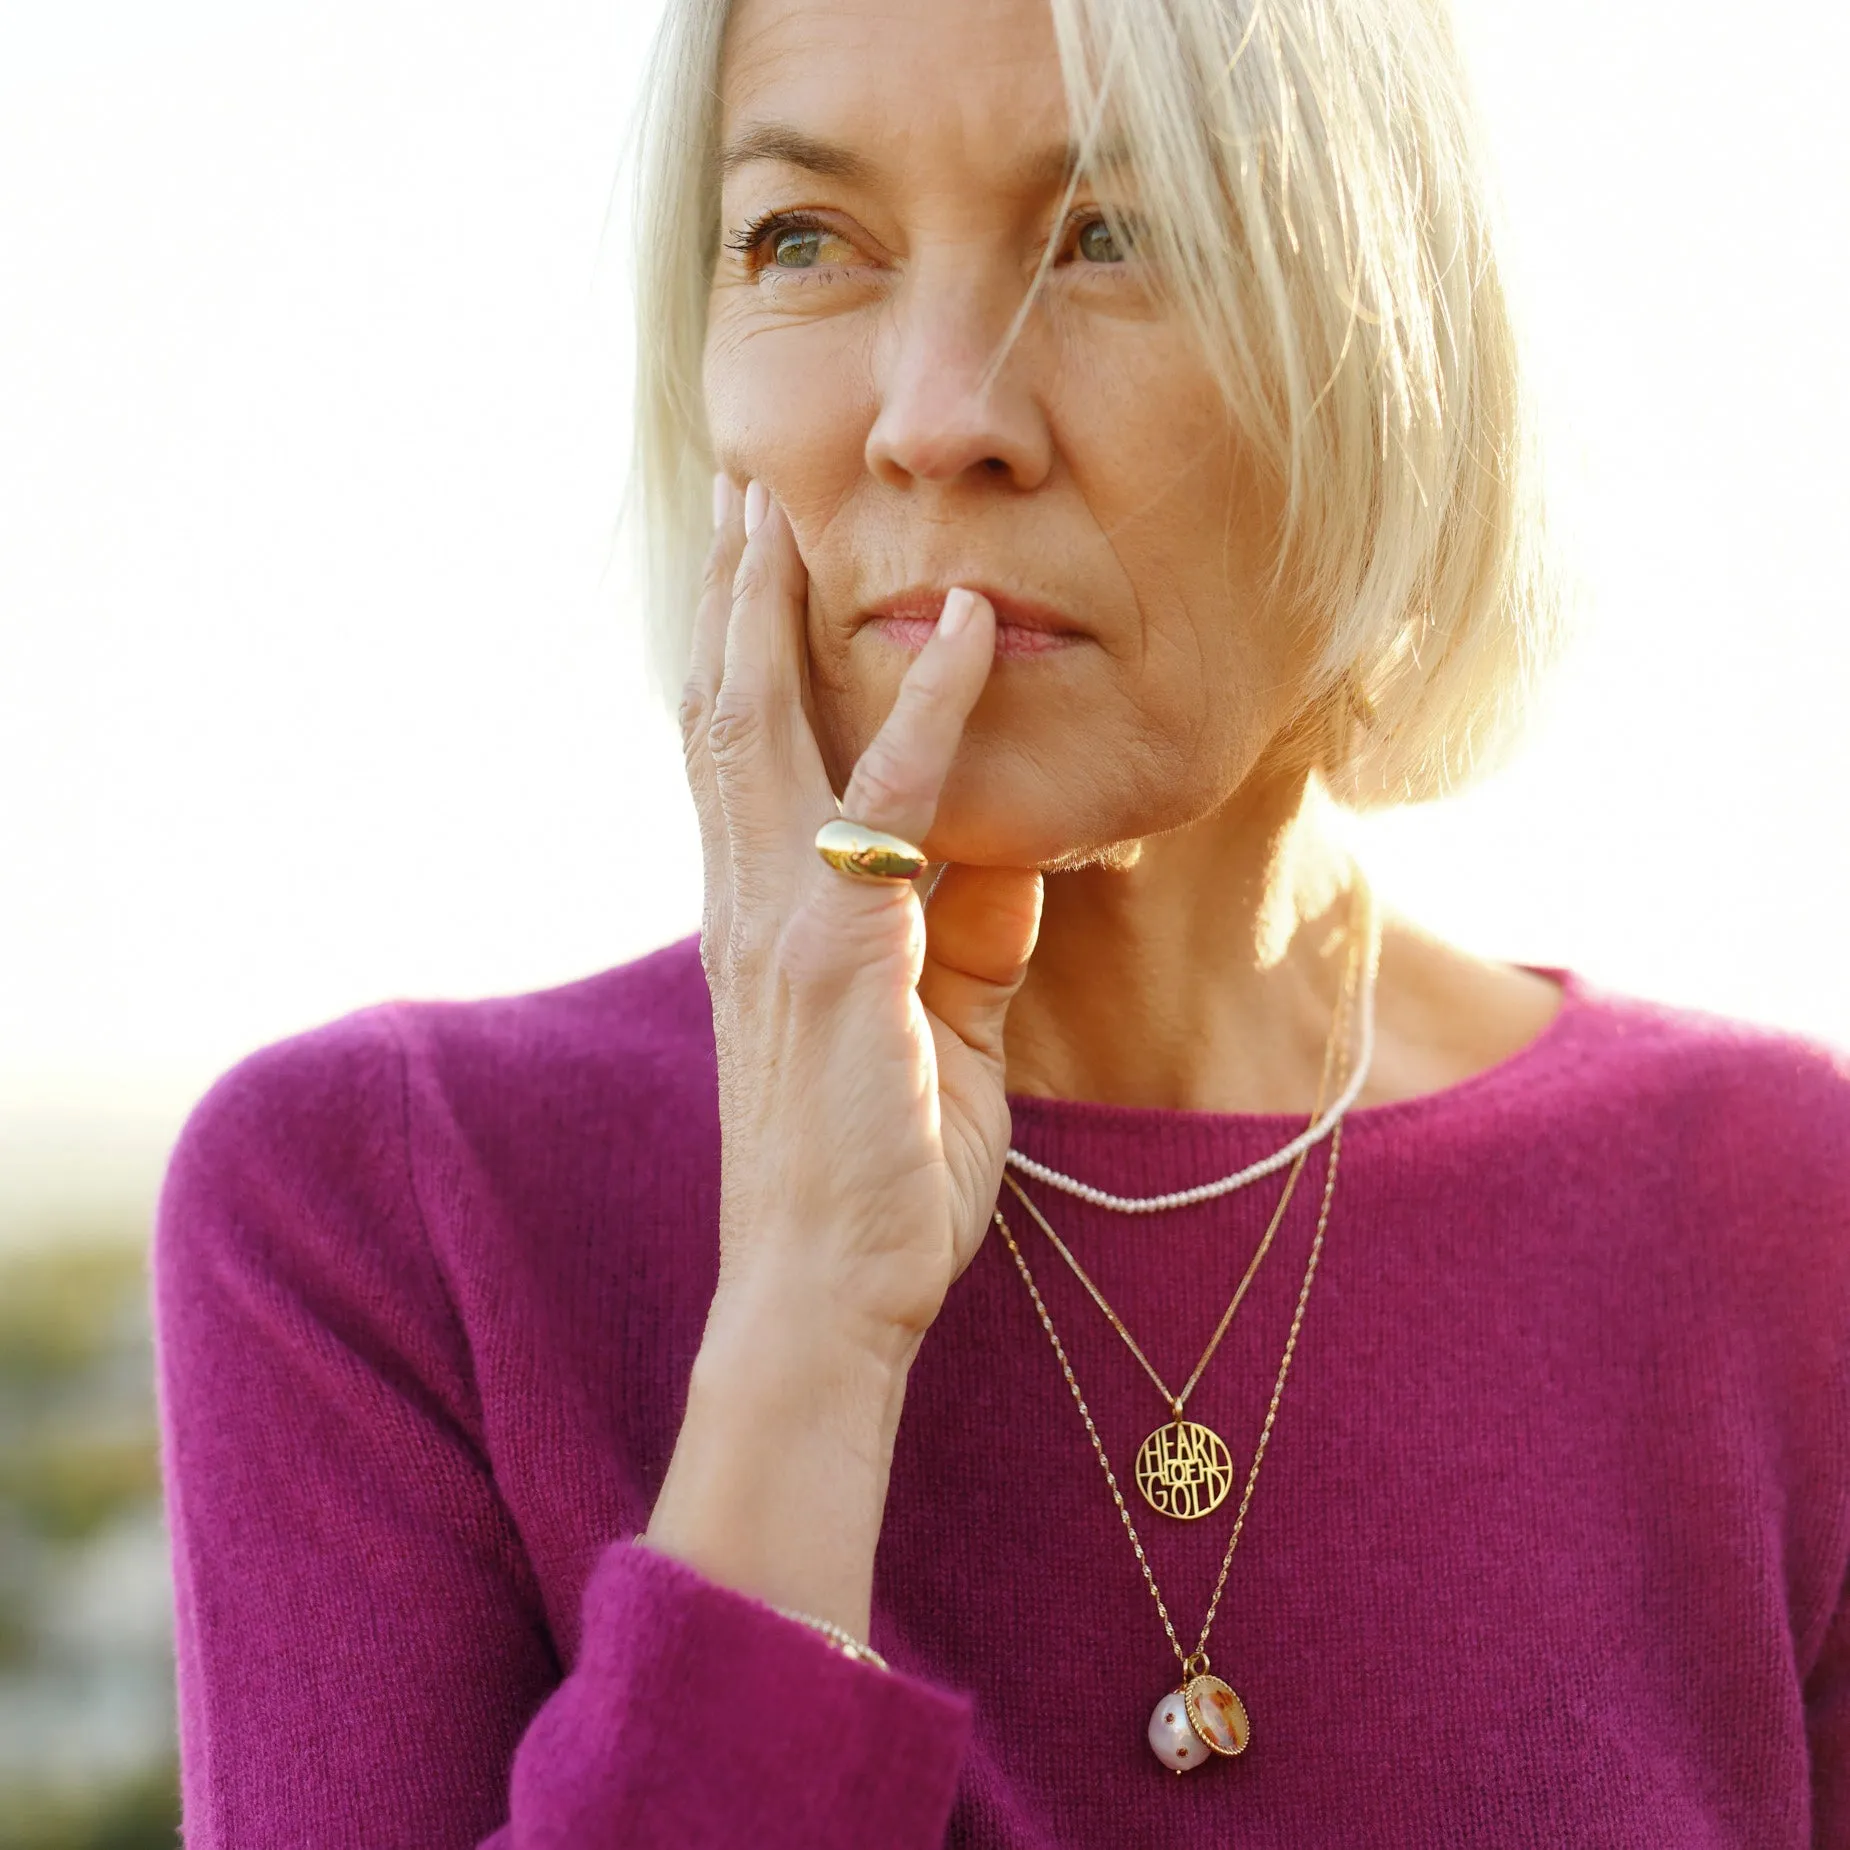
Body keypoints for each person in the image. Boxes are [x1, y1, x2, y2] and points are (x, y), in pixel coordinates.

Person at [150, 0, 1850, 1841]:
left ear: (1392, 342)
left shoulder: (1778, 1214)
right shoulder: (376, 1209)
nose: (934, 414)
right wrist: (805, 1313)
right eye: (801, 237)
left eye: (1112, 234)